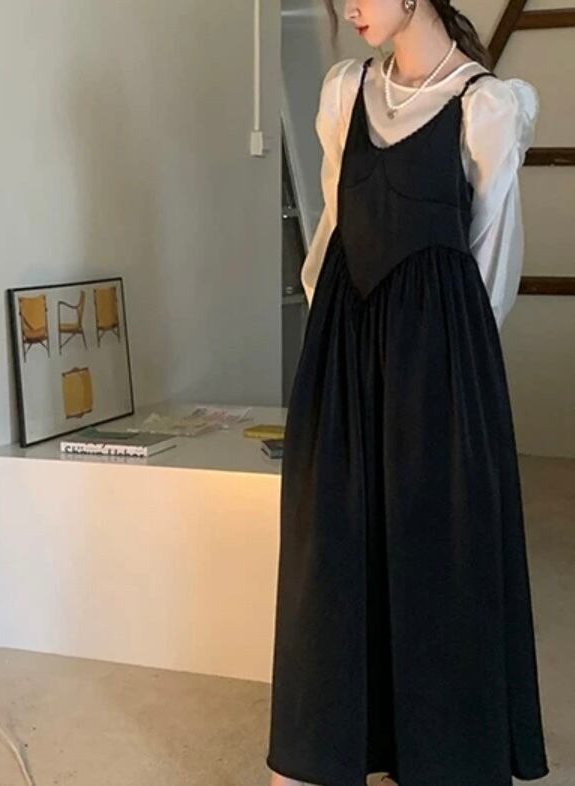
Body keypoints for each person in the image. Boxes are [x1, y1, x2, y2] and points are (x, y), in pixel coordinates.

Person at [265, 1, 550, 785]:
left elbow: (491, 263)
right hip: (345, 348)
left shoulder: (485, 106)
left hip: (439, 361)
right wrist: (333, 344)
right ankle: (326, 753)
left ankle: (433, 756)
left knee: (436, 553)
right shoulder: (343, 93)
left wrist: (447, 360)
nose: (349, 6)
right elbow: (330, 231)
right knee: (331, 550)